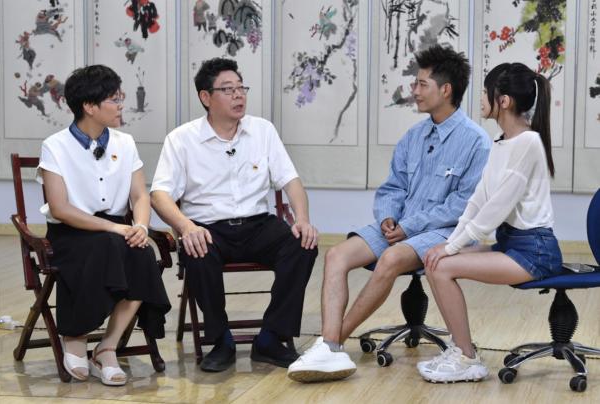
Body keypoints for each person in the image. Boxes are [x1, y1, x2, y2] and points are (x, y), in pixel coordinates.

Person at [287, 44, 491, 383]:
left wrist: (408, 227)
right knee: (336, 255)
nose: (415, 91)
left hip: (445, 232)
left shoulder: (476, 142)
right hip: (400, 226)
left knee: (391, 258)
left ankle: (330, 345)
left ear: (446, 90)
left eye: (422, 84)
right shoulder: (414, 136)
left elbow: (462, 205)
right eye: (415, 83)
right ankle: (329, 346)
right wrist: (387, 216)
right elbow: (393, 187)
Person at [150, 57, 318, 372]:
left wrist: (303, 220)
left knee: (303, 244)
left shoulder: (262, 130)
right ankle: (220, 341)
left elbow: (291, 181)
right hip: (207, 227)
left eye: (241, 88)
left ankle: (271, 337)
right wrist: (186, 227)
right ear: (206, 97)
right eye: (228, 89)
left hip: (258, 225)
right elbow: (159, 195)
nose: (238, 95)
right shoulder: (182, 139)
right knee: (197, 248)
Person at [417, 62, 563, 383]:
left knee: (442, 266)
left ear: (504, 101)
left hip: (534, 251)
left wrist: (452, 248)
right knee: (434, 260)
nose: (481, 99)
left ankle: (466, 357)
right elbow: (478, 200)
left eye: (485, 92)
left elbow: (496, 208)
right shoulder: (501, 141)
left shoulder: (528, 143)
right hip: (511, 243)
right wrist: (449, 243)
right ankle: (461, 350)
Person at [37, 65, 171, 386]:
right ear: (89, 106)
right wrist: (115, 229)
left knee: (142, 253)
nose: (121, 105)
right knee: (109, 245)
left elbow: (140, 195)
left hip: (118, 229)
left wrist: (140, 226)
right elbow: (60, 208)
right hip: (72, 231)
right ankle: (75, 336)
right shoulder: (55, 145)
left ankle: (107, 347)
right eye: (114, 99)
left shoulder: (125, 143)